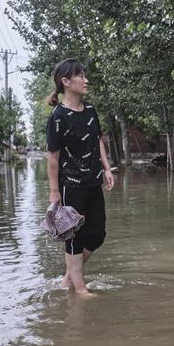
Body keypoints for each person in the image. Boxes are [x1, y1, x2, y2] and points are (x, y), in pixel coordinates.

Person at [45, 58, 114, 298]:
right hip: (70, 186)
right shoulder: (58, 117)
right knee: (74, 236)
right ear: (66, 81)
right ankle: (80, 287)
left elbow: (98, 141)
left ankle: (68, 278)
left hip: (93, 182)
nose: (86, 80)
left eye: (85, 75)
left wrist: (106, 168)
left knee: (97, 234)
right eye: (80, 76)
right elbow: (52, 158)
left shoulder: (91, 111)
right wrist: (54, 192)